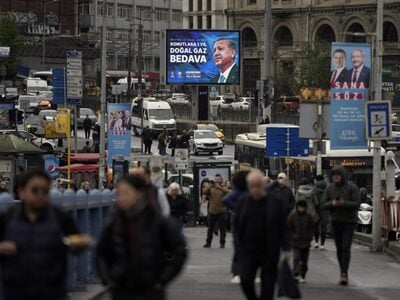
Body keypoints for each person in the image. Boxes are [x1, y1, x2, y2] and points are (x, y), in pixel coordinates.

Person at [0, 170, 89, 300]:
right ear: (21, 192)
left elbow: (78, 239)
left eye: (45, 191)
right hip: (15, 292)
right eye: (35, 190)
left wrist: (78, 243)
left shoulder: (59, 216)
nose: (40, 195)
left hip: (52, 291)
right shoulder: (8, 218)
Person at [96, 175, 187, 300]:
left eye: (126, 193)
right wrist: (107, 278)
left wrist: (162, 279)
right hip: (121, 289)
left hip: (150, 289)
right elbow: (101, 251)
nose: (122, 198)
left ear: (140, 194)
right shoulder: (114, 223)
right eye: (120, 194)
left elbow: (179, 250)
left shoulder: (157, 221)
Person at [235, 170, 289, 300]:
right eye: (252, 186)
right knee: (246, 281)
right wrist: (238, 247)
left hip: (269, 250)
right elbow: (237, 226)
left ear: (263, 185)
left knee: (268, 286)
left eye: (258, 185)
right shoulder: (243, 201)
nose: (255, 189)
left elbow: (284, 226)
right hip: (248, 250)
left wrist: (286, 248)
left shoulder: (276, 201)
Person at [322, 166, 360, 286]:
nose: (336, 177)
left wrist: (344, 203)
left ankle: (344, 273)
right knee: (339, 248)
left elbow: (357, 203)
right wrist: (332, 203)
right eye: (334, 175)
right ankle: (342, 271)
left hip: (349, 222)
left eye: (338, 174)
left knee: (345, 247)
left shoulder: (352, 187)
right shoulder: (329, 188)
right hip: (336, 221)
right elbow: (323, 204)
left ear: (343, 175)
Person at [223, 169, 250, 284]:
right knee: (240, 248)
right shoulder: (240, 190)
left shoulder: (244, 190)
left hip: (247, 222)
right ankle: (237, 272)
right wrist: (239, 209)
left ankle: (244, 271)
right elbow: (227, 199)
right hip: (240, 222)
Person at [287, 199, 315, 284]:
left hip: (306, 242)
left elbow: (312, 227)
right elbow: (288, 228)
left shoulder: (308, 216)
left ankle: (303, 275)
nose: (301, 209)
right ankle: (296, 274)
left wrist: (310, 236)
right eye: (300, 207)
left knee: (304, 261)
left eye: (303, 207)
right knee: (296, 258)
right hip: (295, 242)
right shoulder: (292, 216)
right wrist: (292, 236)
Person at [203, 174, 228, 248]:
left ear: (221, 180)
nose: (217, 181)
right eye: (216, 179)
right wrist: (209, 186)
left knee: (222, 228)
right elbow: (204, 192)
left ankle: (222, 243)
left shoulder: (224, 187)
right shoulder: (211, 188)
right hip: (212, 211)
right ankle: (208, 242)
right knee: (210, 228)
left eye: (218, 179)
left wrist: (220, 187)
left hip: (222, 211)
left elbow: (228, 192)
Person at [295, 178, 319, 244]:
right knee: (314, 227)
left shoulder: (298, 192)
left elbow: (296, 202)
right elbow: (316, 202)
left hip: (302, 212)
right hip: (312, 212)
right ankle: (316, 242)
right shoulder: (312, 192)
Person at [314, 175, 328, 250]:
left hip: (316, 209)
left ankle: (316, 242)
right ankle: (322, 244)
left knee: (316, 226)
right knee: (324, 227)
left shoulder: (314, 189)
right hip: (325, 209)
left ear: (316, 180)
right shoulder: (327, 188)